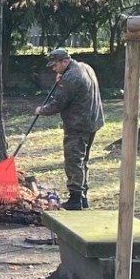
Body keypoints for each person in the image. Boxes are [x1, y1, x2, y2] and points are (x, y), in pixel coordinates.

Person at [35, 48, 104, 210]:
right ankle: (83, 195)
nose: (53, 69)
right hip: (93, 120)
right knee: (83, 160)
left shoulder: (71, 77)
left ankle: (75, 198)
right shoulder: (85, 67)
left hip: (77, 124)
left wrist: (41, 110)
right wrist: (61, 80)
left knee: (73, 161)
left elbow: (58, 104)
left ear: (65, 62)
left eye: (55, 65)